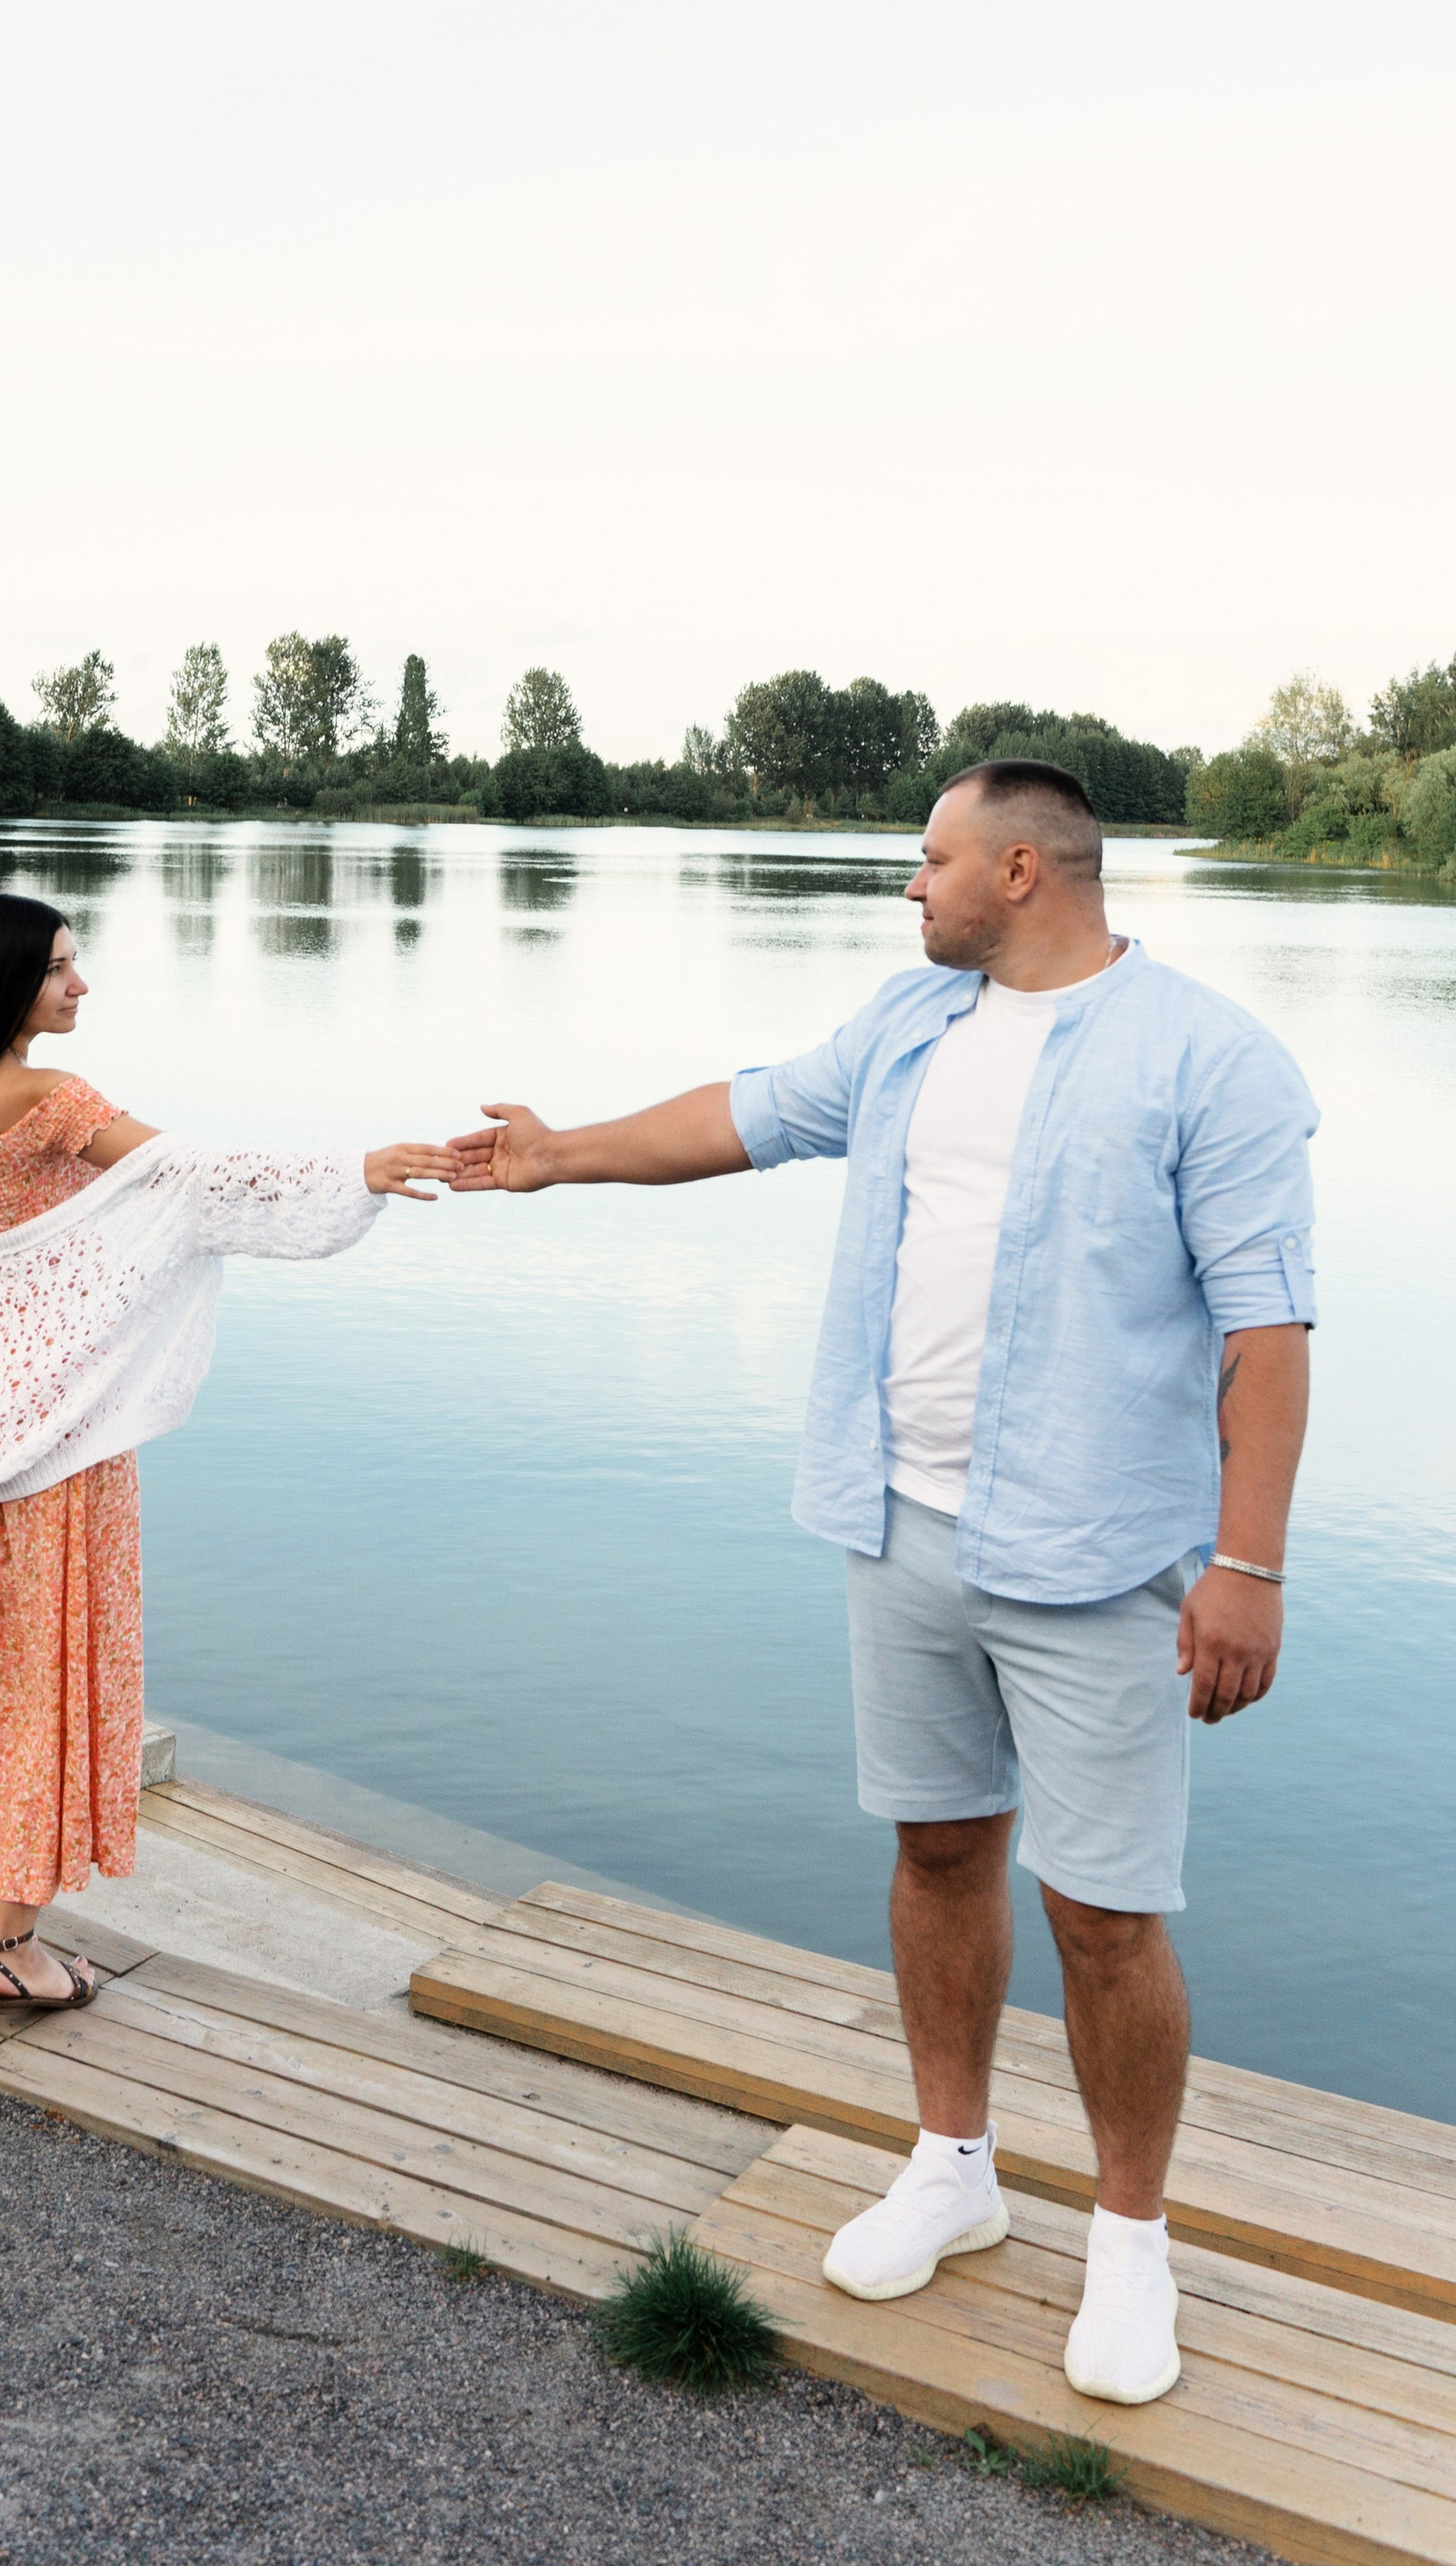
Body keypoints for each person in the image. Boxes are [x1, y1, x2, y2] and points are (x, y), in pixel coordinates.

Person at [447, 759, 1315, 2407]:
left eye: (926, 860)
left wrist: (1249, 1565)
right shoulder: (912, 1031)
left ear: (1018, 870)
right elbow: (749, 1115)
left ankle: (1132, 2245)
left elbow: (1270, 1334)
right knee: (935, 1850)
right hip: (901, 1518)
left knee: (1108, 1916)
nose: (904, 886)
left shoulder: (1210, 1061)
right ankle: (955, 2166)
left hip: (1094, 1552)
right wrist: (560, 1158)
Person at [0, 890, 455, 2014]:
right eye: (61, 967)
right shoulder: (55, 1099)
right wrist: (356, 1170)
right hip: (64, 1448)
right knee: (50, 1685)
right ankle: (16, 1948)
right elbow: (192, 1178)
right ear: (8, 981)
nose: (80, 984)